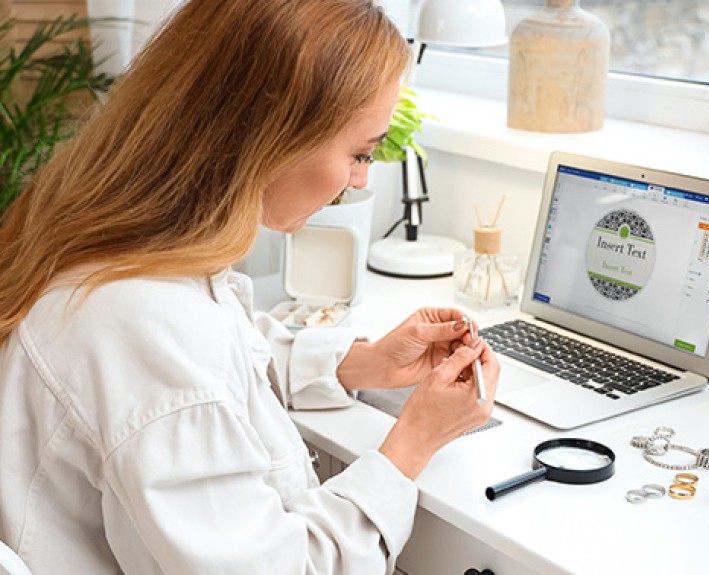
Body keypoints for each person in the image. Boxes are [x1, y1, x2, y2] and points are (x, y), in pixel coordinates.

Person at [0, 1, 499, 573]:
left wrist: (361, 364)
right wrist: (413, 443)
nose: (360, 179)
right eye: (360, 152)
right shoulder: (149, 328)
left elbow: (217, 364)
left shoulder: (112, 247)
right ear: (271, 136)